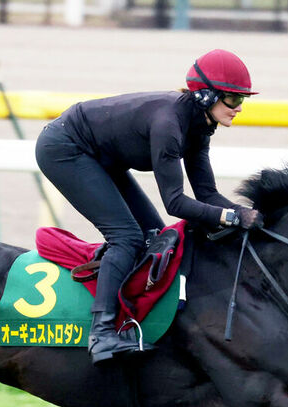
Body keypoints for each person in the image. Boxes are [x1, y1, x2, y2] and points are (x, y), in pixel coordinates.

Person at [35, 49, 263, 365]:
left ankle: (132, 320)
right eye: (234, 100)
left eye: (243, 101)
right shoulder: (169, 125)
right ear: (206, 95)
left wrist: (250, 215)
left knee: (156, 238)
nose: (239, 108)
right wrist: (230, 217)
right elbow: (176, 203)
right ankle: (101, 335)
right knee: (126, 238)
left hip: (102, 156)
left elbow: (207, 195)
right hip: (65, 148)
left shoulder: (199, 126)